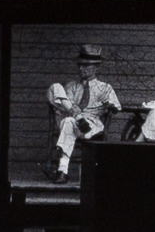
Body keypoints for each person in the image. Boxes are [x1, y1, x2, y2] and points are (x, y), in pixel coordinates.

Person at [46, 44, 122, 183]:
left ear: (96, 67)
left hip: (91, 125)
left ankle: (62, 169)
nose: (81, 68)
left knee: (69, 122)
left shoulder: (105, 87)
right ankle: (62, 171)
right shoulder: (72, 86)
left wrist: (107, 103)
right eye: (80, 65)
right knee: (56, 88)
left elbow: (116, 108)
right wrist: (75, 112)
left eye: (86, 65)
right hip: (72, 121)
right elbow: (66, 105)